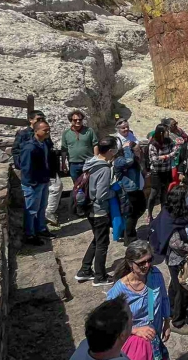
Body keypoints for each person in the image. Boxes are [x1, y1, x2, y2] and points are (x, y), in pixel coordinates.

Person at [106, 240, 171, 360]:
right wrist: (135, 330)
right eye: (141, 263)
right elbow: (109, 322)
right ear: (130, 263)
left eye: (149, 260)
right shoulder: (119, 290)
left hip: (154, 338)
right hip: (135, 346)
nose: (146, 265)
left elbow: (164, 298)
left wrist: (167, 323)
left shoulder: (155, 274)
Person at [149, 186, 188, 333]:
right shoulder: (170, 218)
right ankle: (178, 321)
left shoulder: (182, 213)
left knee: (175, 286)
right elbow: (175, 243)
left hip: (183, 258)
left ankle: (171, 310)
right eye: (187, 195)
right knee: (182, 289)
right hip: (178, 260)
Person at [76, 137, 118, 287]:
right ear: (111, 151)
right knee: (102, 243)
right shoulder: (104, 169)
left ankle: (85, 270)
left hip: (88, 207)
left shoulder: (90, 162)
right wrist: (114, 193)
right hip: (99, 210)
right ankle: (100, 276)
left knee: (97, 239)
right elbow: (101, 195)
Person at [19, 120, 56, 245]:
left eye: (48, 129)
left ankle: (40, 229)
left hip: (43, 181)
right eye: (45, 130)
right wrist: (32, 183)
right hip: (33, 184)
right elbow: (25, 167)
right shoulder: (29, 147)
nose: (47, 132)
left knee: (41, 207)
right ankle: (30, 234)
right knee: (31, 210)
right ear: (36, 131)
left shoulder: (43, 143)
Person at [113, 138, 146, 246]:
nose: (139, 152)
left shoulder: (132, 159)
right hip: (127, 191)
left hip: (135, 189)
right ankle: (130, 238)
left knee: (139, 209)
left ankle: (128, 231)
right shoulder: (120, 160)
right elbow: (129, 161)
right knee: (131, 214)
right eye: (136, 150)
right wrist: (127, 148)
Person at [147, 125, 177, 223]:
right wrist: (168, 156)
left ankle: (163, 214)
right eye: (165, 131)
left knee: (164, 194)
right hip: (157, 172)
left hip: (166, 170)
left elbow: (175, 150)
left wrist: (164, 156)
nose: (167, 133)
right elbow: (155, 160)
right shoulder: (153, 145)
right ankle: (149, 214)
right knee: (154, 193)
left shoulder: (168, 141)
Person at [62, 109, 99, 183]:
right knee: (77, 185)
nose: (78, 121)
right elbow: (64, 149)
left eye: (80, 119)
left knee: (90, 184)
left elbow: (95, 144)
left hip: (88, 162)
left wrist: (95, 160)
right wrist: (63, 163)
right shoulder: (66, 133)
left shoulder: (89, 131)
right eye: (75, 120)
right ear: (71, 120)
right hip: (73, 164)